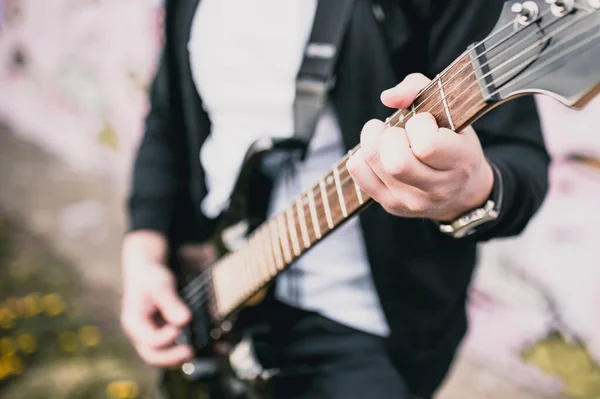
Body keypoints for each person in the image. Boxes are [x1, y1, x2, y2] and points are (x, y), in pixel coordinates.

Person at [120, 0, 549, 398]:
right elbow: (166, 119)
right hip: (209, 292)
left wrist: (468, 191)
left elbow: (520, 161)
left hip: (361, 328)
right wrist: (143, 250)